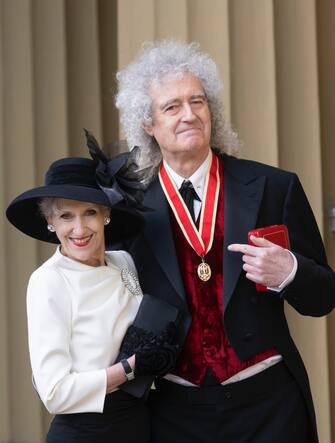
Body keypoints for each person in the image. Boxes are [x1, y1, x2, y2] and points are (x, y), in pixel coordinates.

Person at [113, 40, 335, 443]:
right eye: (172, 107)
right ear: (148, 124)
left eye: (197, 102)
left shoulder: (273, 187)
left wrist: (292, 272)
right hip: (174, 415)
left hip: (270, 408)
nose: (189, 115)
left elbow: (323, 298)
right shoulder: (128, 211)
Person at [5, 152, 176, 443]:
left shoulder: (124, 261)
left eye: (90, 213)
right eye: (65, 216)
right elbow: (54, 393)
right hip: (86, 432)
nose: (80, 229)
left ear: (106, 214)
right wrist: (127, 370)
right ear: (50, 221)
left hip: (139, 422)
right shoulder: (48, 281)